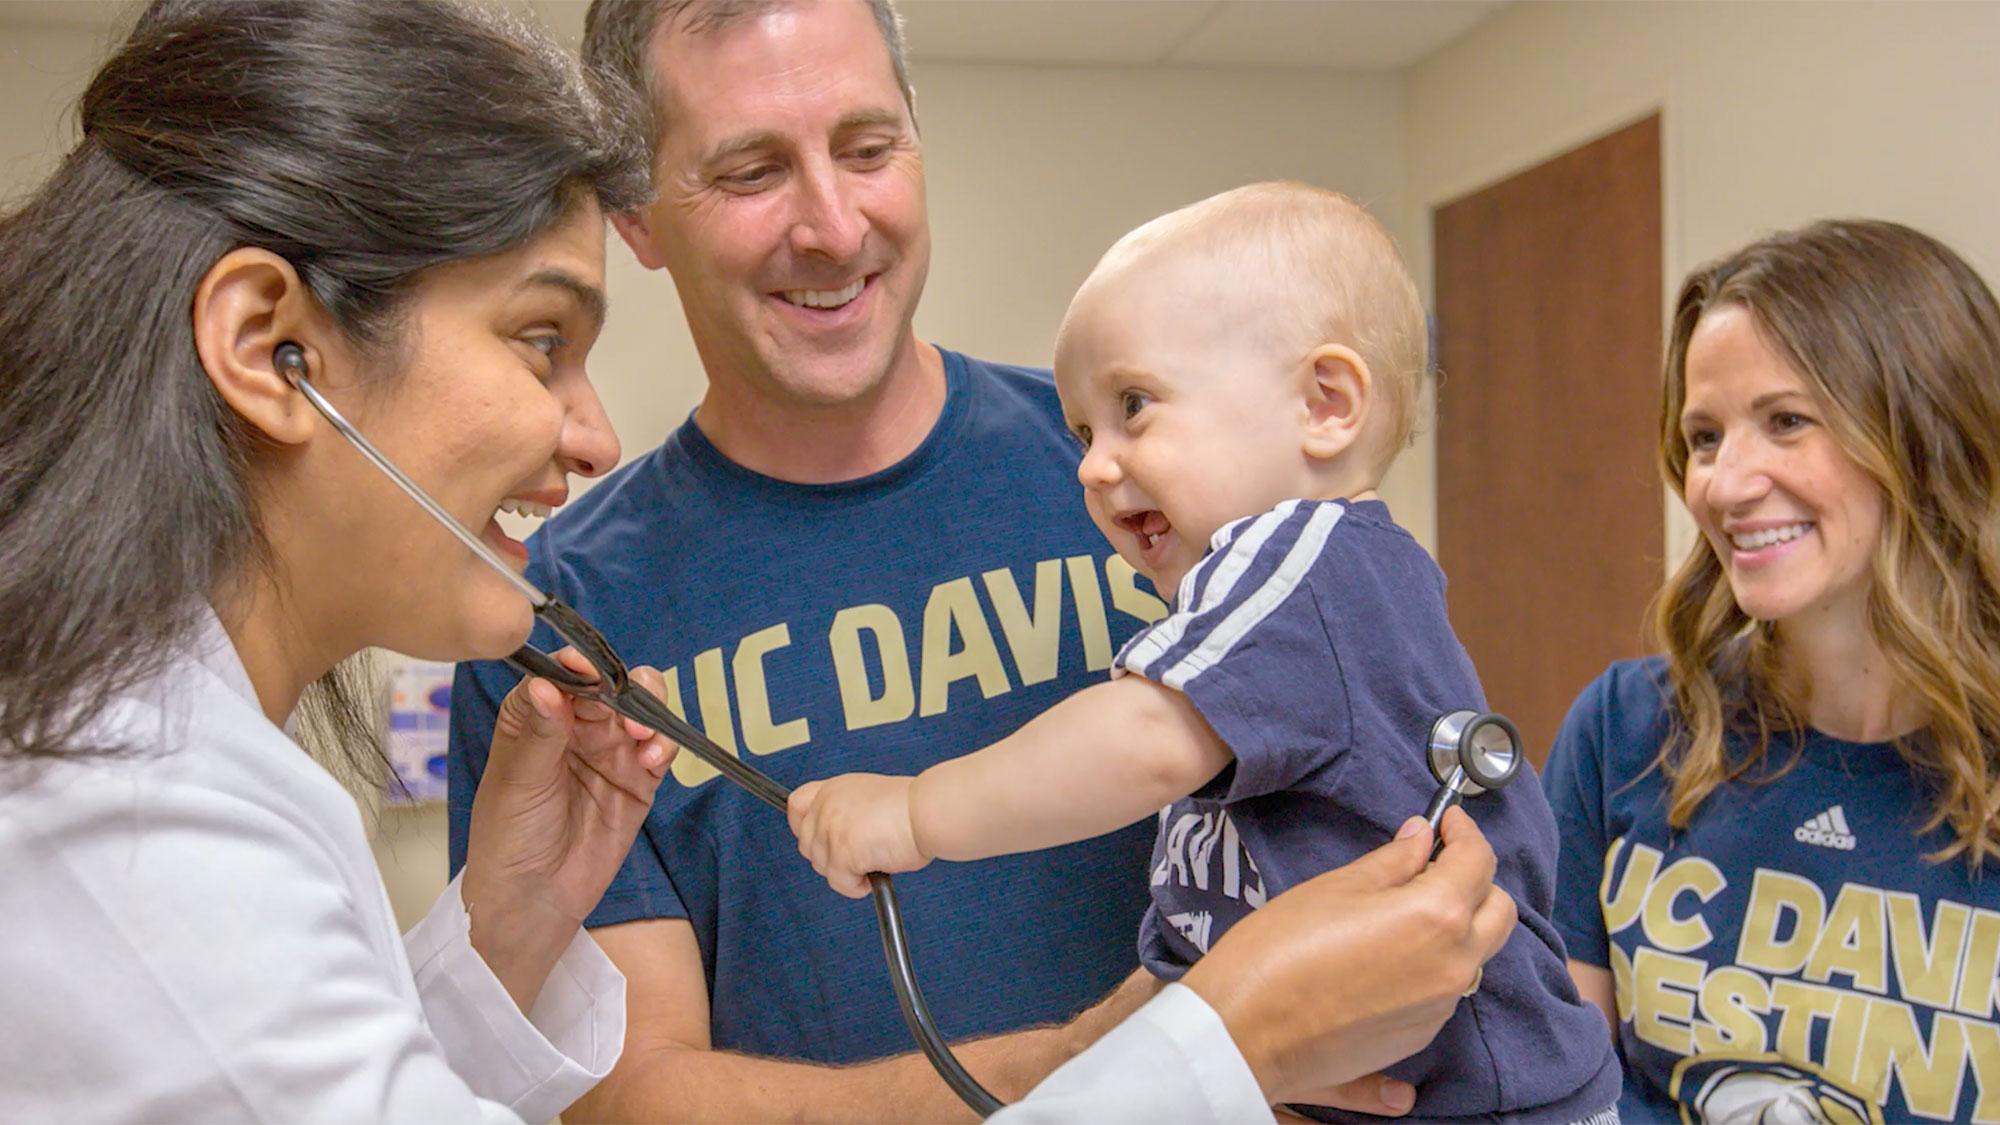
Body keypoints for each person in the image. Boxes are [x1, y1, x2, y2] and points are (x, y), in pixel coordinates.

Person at [448, 1, 1434, 1118]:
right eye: (752, 172)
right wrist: (1113, 1068)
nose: (831, 225)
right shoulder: (553, 616)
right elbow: (633, 1098)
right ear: (635, 216)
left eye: (868, 150)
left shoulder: (1152, 485)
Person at [791, 182, 1623, 1123]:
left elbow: (1144, 738)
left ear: (1325, 403)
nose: (1093, 467)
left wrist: (912, 813)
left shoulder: (1301, 560)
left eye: (1135, 406)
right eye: (1081, 431)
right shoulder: (1317, 583)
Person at [0, 0, 677, 1119]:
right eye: (542, 340)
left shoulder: (156, 764)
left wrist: (508, 923)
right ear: (272, 348)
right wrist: (1076, 1067)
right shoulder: (125, 816)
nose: (595, 437)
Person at [1543, 219, 2000, 1123]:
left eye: (1787, 421)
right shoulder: (1623, 730)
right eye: (1705, 436)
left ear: (1925, 433)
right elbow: (1558, 1094)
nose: (1724, 482)